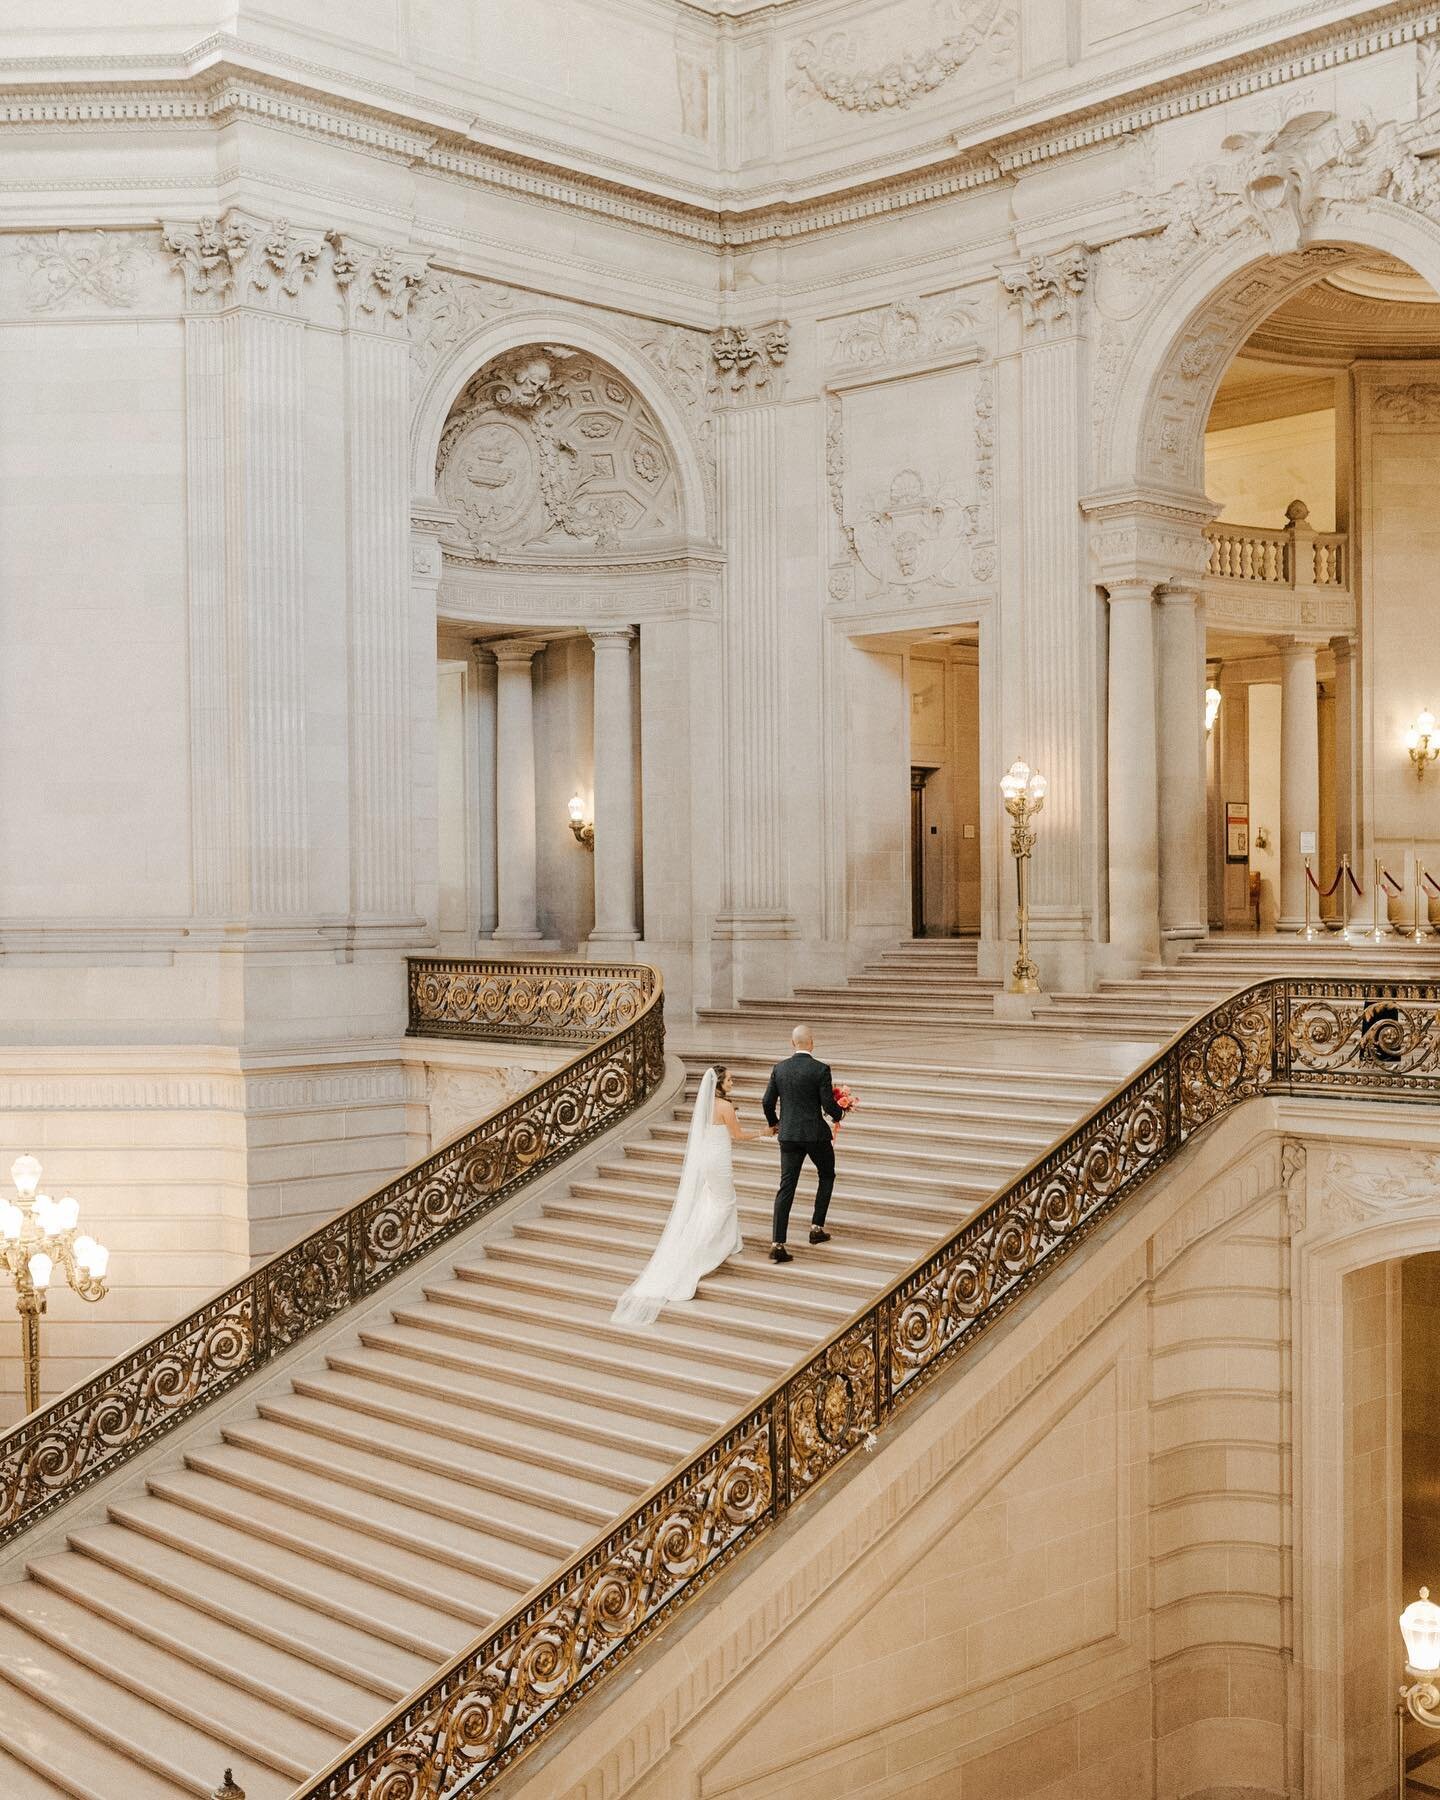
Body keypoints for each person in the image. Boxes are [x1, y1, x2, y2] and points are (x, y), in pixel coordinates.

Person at [610, 1064, 761, 1326]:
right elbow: (737, 1135)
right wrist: (764, 1132)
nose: (733, 1083)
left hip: (707, 1158)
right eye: (730, 1080)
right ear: (719, 1084)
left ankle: (732, 1241)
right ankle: (705, 1248)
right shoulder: (724, 1107)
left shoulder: (706, 1105)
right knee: (725, 1203)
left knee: (718, 1200)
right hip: (719, 1159)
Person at [762, 1025, 845, 1265]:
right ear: (812, 1043)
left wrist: (775, 1123)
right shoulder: (820, 1069)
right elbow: (828, 1105)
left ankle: (778, 1243)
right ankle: (816, 1228)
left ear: (792, 1043)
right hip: (815, 1134)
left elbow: (767, 1101)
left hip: (788, 1134)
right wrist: (840, 1113)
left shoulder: (779, 1069)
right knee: (827, 1174)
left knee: (786, 1186)